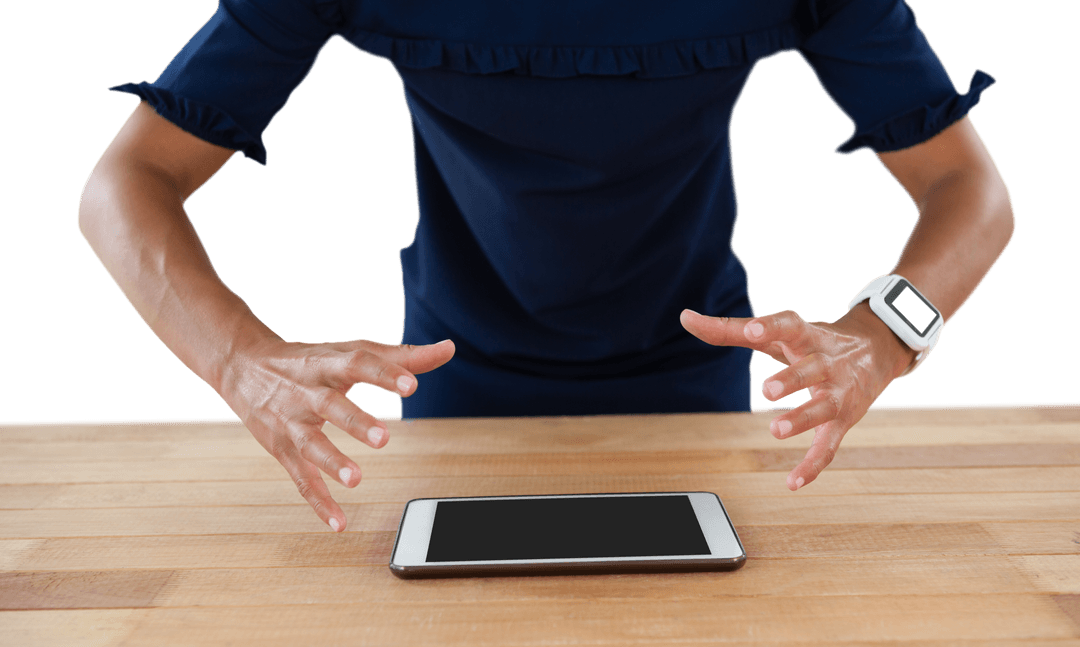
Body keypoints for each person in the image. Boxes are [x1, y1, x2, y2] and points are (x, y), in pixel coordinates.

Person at [78, 0, 1015, 532]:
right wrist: (238, 361)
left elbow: (972, 189)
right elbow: (124, 182)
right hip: (457, 395)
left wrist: (883, 337)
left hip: (698, 402)